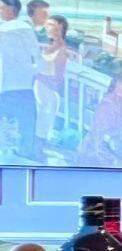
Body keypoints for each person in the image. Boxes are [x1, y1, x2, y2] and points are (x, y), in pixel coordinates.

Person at [0, 0, 41, 159]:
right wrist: (32, 73)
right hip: (23, 85)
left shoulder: (7, 29)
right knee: (27, 122)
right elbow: (36, 56)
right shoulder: (25, 28)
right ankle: (25, 152)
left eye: (1, 8)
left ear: (11, 10)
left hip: (6, 86)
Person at [34, 15, 74, 154]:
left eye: (51, 25)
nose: (47, 28)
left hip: (48, 94)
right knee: (38, 126)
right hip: (41, 94)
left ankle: (38, 156)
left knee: (42, 129)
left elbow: (58, 78)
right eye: (47, 25)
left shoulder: (62, 50)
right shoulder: (51, 46)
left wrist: (36, 75)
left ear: (60, 28)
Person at [77, 74, 122, 167]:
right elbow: (99, 138)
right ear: (114, 89)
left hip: (105, 151)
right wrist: (111, 164)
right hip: (94, 158)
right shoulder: (107, 107)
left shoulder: (118, 104)